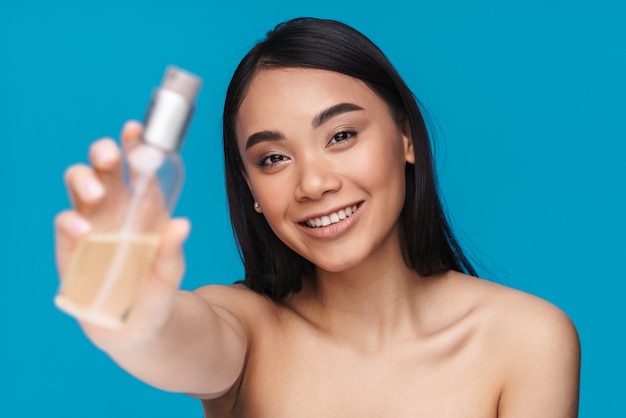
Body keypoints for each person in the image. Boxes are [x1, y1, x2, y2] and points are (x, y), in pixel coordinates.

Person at [55, 17, 581, 417]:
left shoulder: (527, 339)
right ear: (252, 190)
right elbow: (172, 339)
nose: (313, 183)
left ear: (405, 139)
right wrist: (132, 316)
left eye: (342, 136)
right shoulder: (245, 327)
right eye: (273, 159)